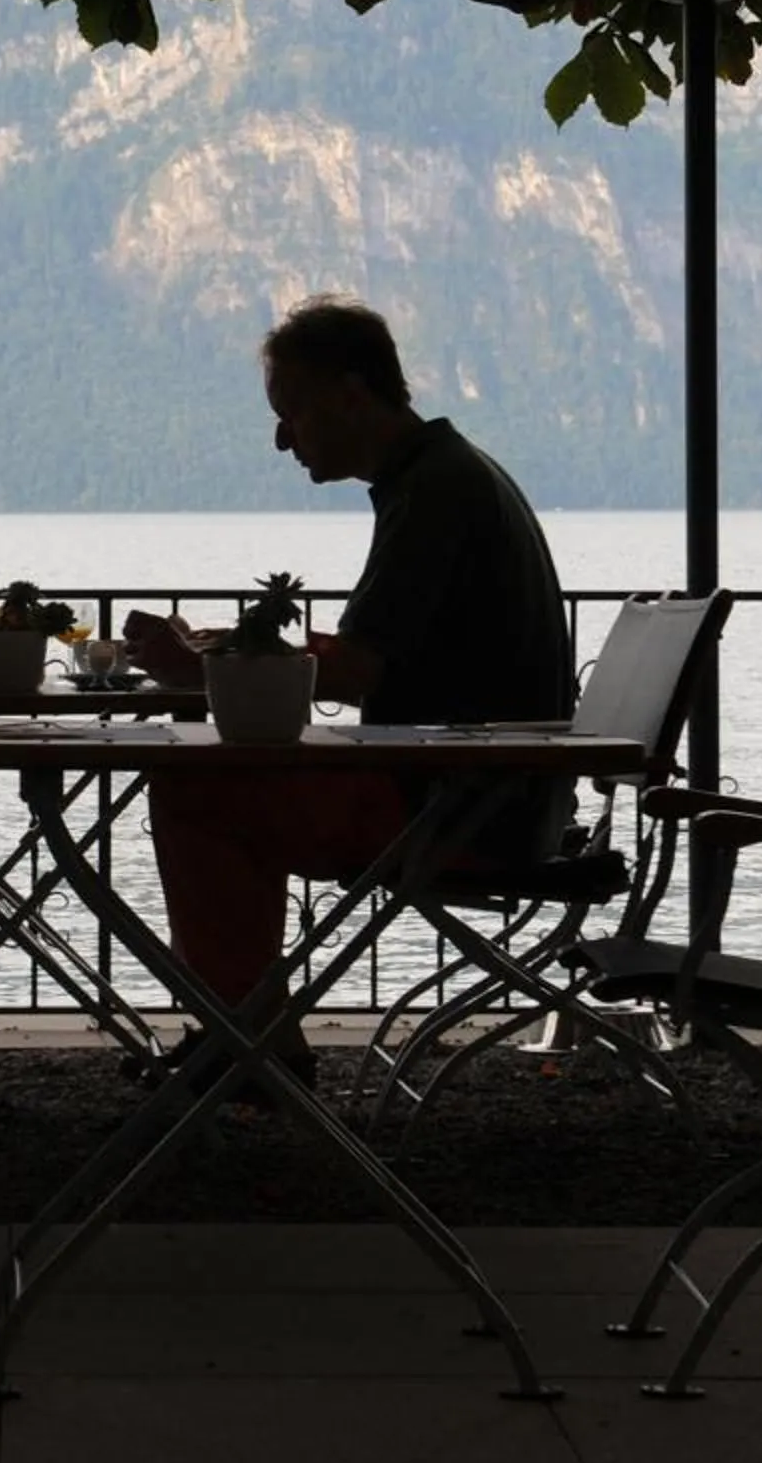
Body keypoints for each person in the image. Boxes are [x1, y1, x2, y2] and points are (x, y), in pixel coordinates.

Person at [124, 297, 575, 1087]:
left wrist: (200, 668)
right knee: (217, 783)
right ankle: (248, 1028)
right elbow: (378, 660)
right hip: (494, 792)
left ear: (349, 393)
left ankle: (252, 1042)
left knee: (195, 787)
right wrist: (227, 654)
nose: (279, 437)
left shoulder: (435, 491)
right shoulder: (445, 475)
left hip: (457, 807)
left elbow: (355, 671)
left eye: (289, 410)